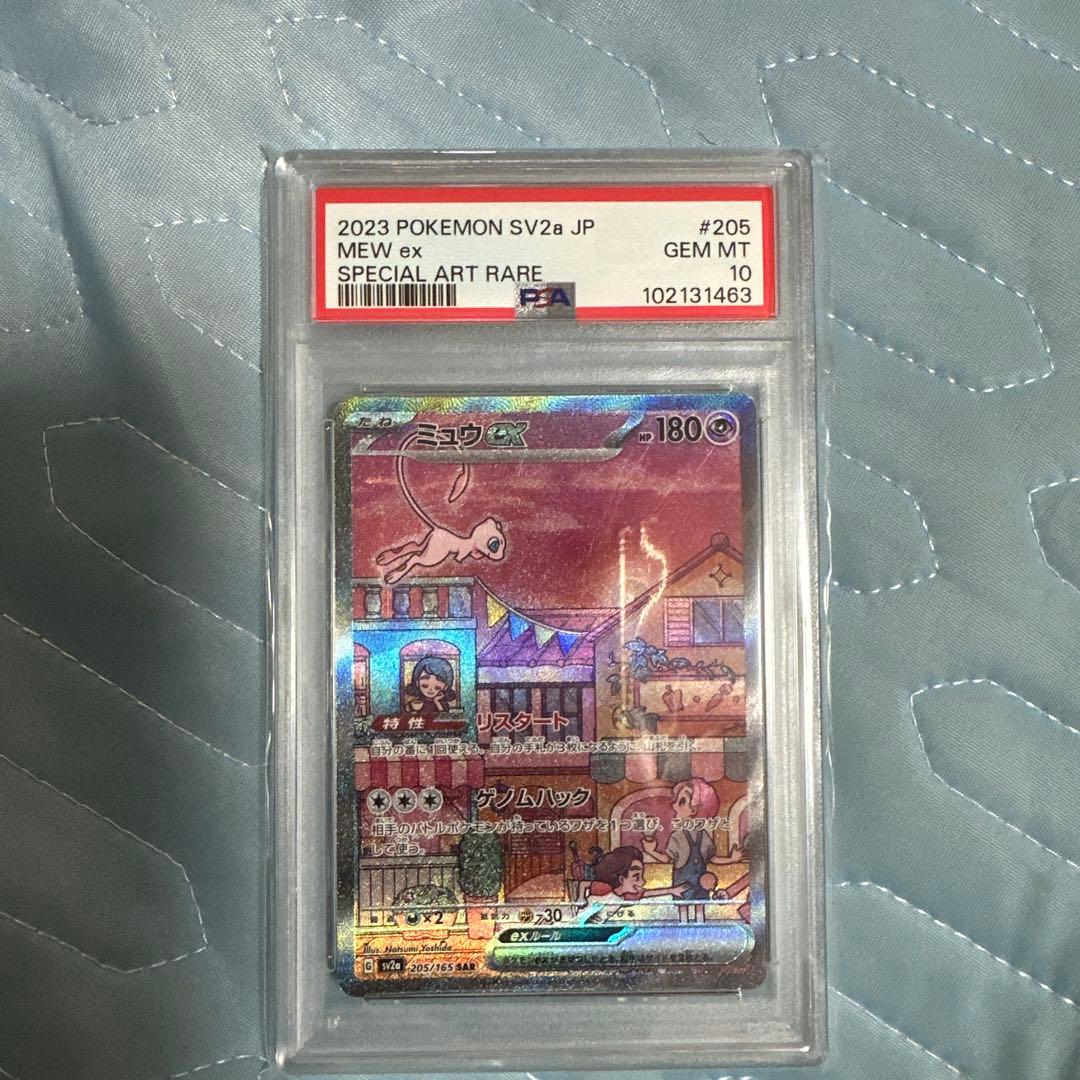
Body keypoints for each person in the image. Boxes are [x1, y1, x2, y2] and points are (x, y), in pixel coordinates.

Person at [642, 777, 719, 900]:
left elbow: (667, 859)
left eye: (681, 802)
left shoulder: (692, 836)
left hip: (700, 883)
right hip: (682, 883)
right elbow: (713, 858)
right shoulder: (679, 836)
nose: (673, 805)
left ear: (693, 810)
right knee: (685, 906)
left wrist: (651, 851)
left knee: (697, 905)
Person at [588, 846, 687, 903]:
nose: (643, 882)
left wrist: (671, 890)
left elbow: (648, 893)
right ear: (621, 879)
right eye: (636, 877)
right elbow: (583, 885)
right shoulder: (603, 890)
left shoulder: (625, 896)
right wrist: (581, 900)